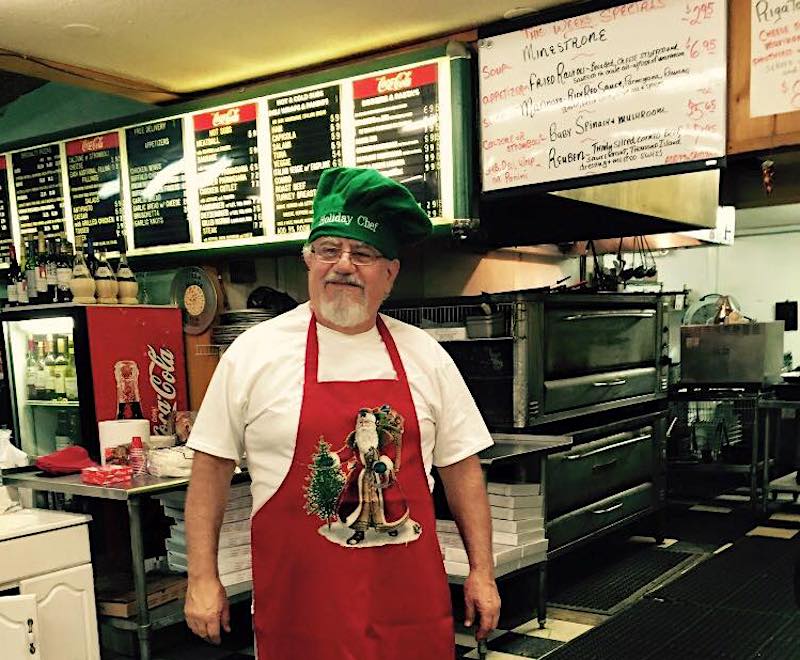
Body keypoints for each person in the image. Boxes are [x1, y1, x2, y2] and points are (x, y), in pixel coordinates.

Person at [184, 167, 501, 659]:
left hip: (407, 611)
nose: (343, 265)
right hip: (302, 614)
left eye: (363, 253)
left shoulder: (425, 355)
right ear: (308, 260)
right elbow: (210, 469)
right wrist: (202, 578)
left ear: (390, 273)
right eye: (328, 249)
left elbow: (461, 469)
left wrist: (482, 571)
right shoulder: (254, 353)